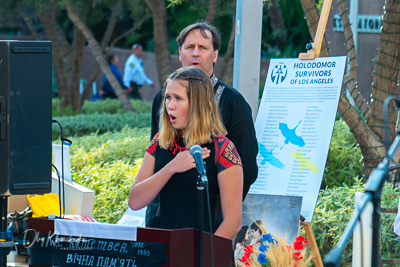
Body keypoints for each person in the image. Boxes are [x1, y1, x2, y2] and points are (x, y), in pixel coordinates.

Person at [148, 21, 258, 226]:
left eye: (203, 48)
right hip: (163, 217)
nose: (195, 53)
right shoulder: (162, 99)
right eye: (189, 47)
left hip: (210, 219)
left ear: (215, 55)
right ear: (180, 53)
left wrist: (223, 209)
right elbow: (156, 155)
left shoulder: (233, 102)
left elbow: (248, 166)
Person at [129, 66, 243, 240]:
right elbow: (135, 201)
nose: (170, 106)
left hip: (200, 245)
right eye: (167, 97)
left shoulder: (223, 148)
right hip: (160, 242)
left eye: (178, 99)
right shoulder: (160, 141)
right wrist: (172, 167)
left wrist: (205, 257)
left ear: (197, 104)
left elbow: (233, 222)